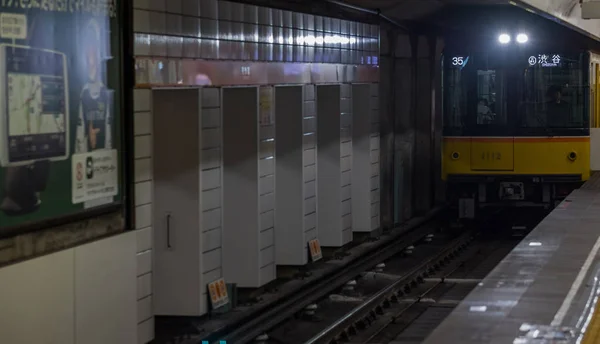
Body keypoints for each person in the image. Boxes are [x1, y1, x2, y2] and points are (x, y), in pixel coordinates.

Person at [76, 19, 112, 154]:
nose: (90, 58)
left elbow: (109, 129)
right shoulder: (83, 93)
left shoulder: (104, 92)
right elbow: (80, 133)